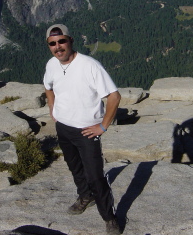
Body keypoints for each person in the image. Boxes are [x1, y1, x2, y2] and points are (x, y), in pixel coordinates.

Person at [43, 24, 122, 235]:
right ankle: (85, 196)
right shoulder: (52, 64)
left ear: (70, 41)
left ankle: (109, 217)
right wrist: (52, 108)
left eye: (62, 41)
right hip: (63, 127)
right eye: (53, 43)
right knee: (75, 167)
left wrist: (103, 126)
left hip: (87, 131)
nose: (58, 47)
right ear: (49, 46)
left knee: (96, 176)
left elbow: (114, 97)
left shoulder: (90, 66)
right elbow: (48, 86)